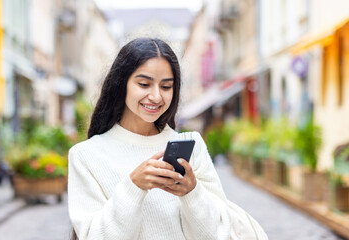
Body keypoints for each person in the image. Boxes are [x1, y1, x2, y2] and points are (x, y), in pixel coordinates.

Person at [68, 38, 268, 240]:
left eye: (166, 87)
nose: (156, 96)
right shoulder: (85, 156)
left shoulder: (192, 147)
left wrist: (192, 193)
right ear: (121, 84)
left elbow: (213, 235)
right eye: (144, 84)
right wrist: (134, 186)